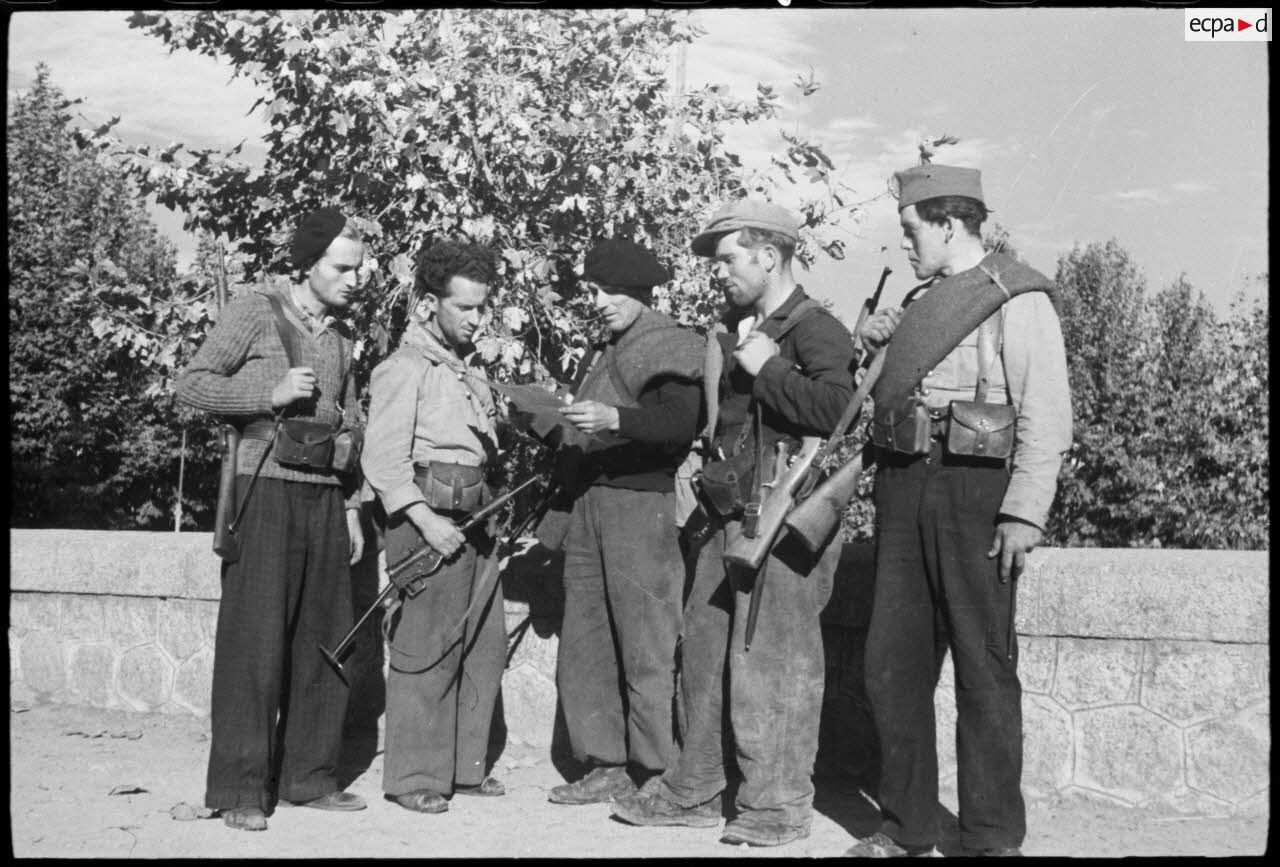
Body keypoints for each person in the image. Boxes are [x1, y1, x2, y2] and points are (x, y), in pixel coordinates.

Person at [611, 201, 855, 847]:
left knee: (773, 663)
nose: (717, 272)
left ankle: (776, 807)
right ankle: (695, 788)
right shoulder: (733, 327)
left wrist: (769, 368)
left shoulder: (814, 328)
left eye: (727, 258)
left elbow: (839, 412)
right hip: (727, 513)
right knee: (706, 654)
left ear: (768, 255)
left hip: (782, 517)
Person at [845, 164, 1072, 857]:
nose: (906, 243)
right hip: (903, 485)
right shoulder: (919, 301)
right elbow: (871, 400)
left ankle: (992, 837)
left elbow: (1048, 416)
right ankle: (906, 825)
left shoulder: (1014, 296)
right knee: (892, 663)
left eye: (913, 230)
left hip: (978, 491)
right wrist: (874, 344)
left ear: (948, 224)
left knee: (984, 668)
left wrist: (1024, 515)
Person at [176, 208, 368, 832]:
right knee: (253, 647)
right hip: (263, 492)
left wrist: (352, 505)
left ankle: (307, 778)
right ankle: (238, 789)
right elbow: (193, 384)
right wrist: (268, 395)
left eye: (359, 269)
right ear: (307, 264)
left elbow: (352, 417)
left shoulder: (342, 334)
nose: (355, 279)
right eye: (343, 268)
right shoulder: (255, 311)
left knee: (326, 643)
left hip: (325, 497)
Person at [541, 238, 705, 805]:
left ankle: (657, 770)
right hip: (590, 503)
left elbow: (680, 424)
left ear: (638, 291)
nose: (600, 301)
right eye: (594, 291)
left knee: (646, 643)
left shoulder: (672, 343)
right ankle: (603, 763)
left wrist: (613, 416)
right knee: (586, 642)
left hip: (641, 506)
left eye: (609, 291)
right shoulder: (607, 346)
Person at [361, 239, 508, 815]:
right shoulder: (403, 369)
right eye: (466, 308)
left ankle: (463, 768)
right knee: (425, 649)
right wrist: (425, 523)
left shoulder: (467, 372)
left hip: (474, 518)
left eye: (483, 308)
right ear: (428, 305)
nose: (478, 319)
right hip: (426, 523)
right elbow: (383, 462)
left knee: (481, 645)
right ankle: (414, 776)